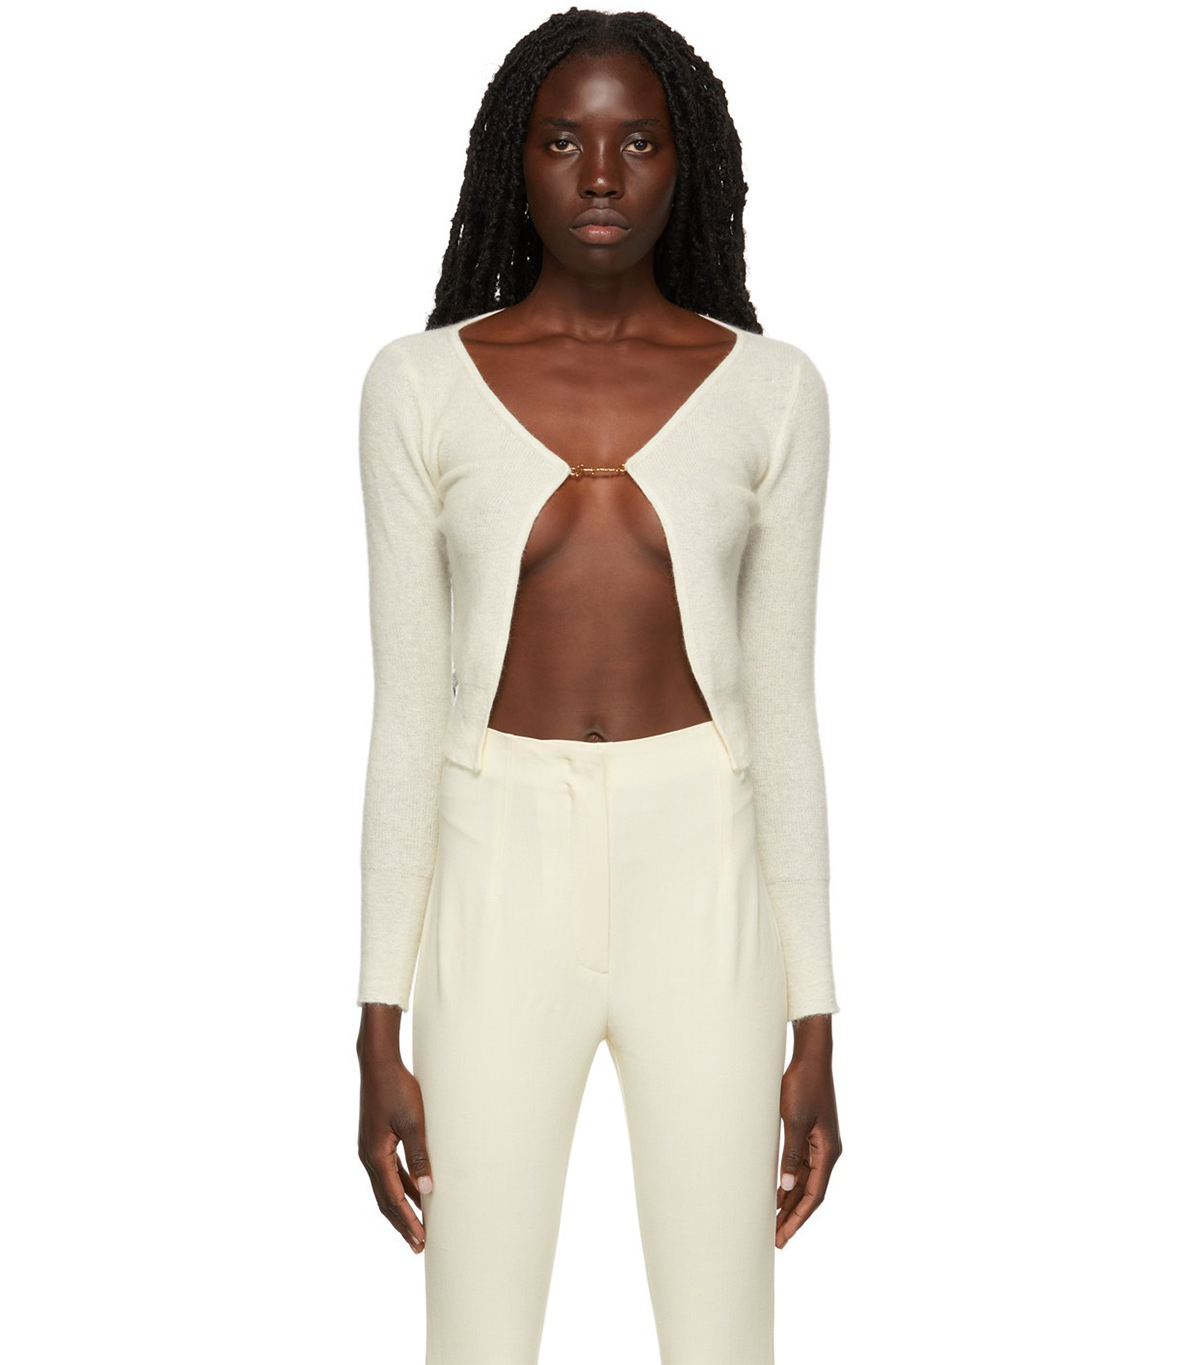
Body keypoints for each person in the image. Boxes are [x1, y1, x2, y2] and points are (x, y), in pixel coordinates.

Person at [354, 8, 843, 1362]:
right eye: (564, 141)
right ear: (513, 162)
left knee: (722, 1328)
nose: (604, 175)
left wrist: (815, 1015)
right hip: (492, 854)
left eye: (640, 140)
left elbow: (784, 710)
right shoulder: (418, 387)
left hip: (706, 860)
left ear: (690, 163)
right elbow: (406, 711)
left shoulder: (773, 392)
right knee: (477, 1326)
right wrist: (377, 1017)